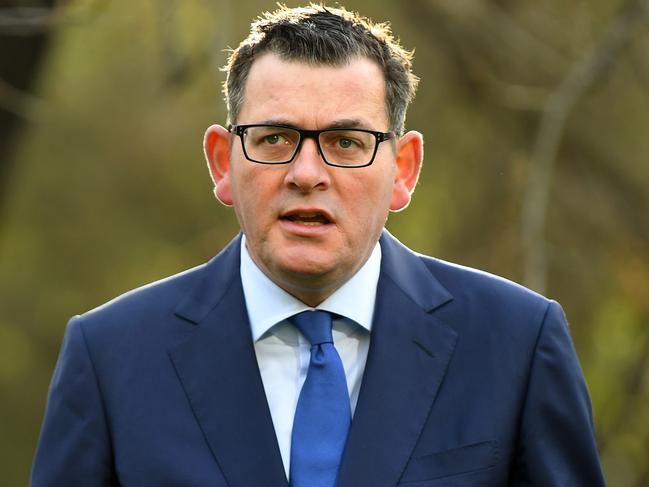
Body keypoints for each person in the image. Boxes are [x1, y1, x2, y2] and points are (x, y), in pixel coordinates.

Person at [31, 4, 606, 486]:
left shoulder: (516, 345)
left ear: (403, 169)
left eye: (346, 141)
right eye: (275, 137)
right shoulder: (111, 358)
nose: (307, 173)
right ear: (221, 162)